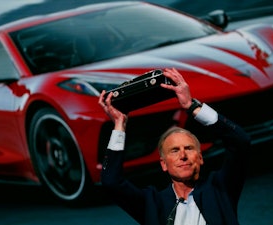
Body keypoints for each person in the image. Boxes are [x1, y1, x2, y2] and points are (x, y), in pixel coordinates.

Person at [98, 68, 251, 225]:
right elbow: (111, 182)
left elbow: (240, 141)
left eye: (189, 148)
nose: (182, 155)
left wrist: (192, 106)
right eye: (174, 150)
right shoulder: (152, 203)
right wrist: (119, 124)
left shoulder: (220, 188)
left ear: (200, 158)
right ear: (164, 164)